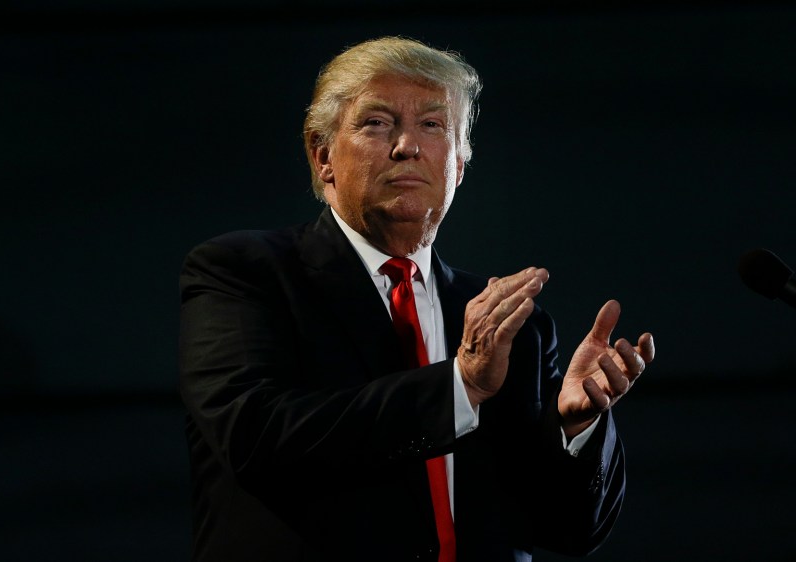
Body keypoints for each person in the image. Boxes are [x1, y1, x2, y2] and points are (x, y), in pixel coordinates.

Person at [178, 36, 655, 562]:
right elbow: (257, 440)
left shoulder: (512, 322)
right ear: (323, 159)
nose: (408, 146)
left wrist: (575, 427)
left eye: (433, 125)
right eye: (377, 123)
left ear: (459, 164)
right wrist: (460, 387)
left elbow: (569, 531)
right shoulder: (246, 273)